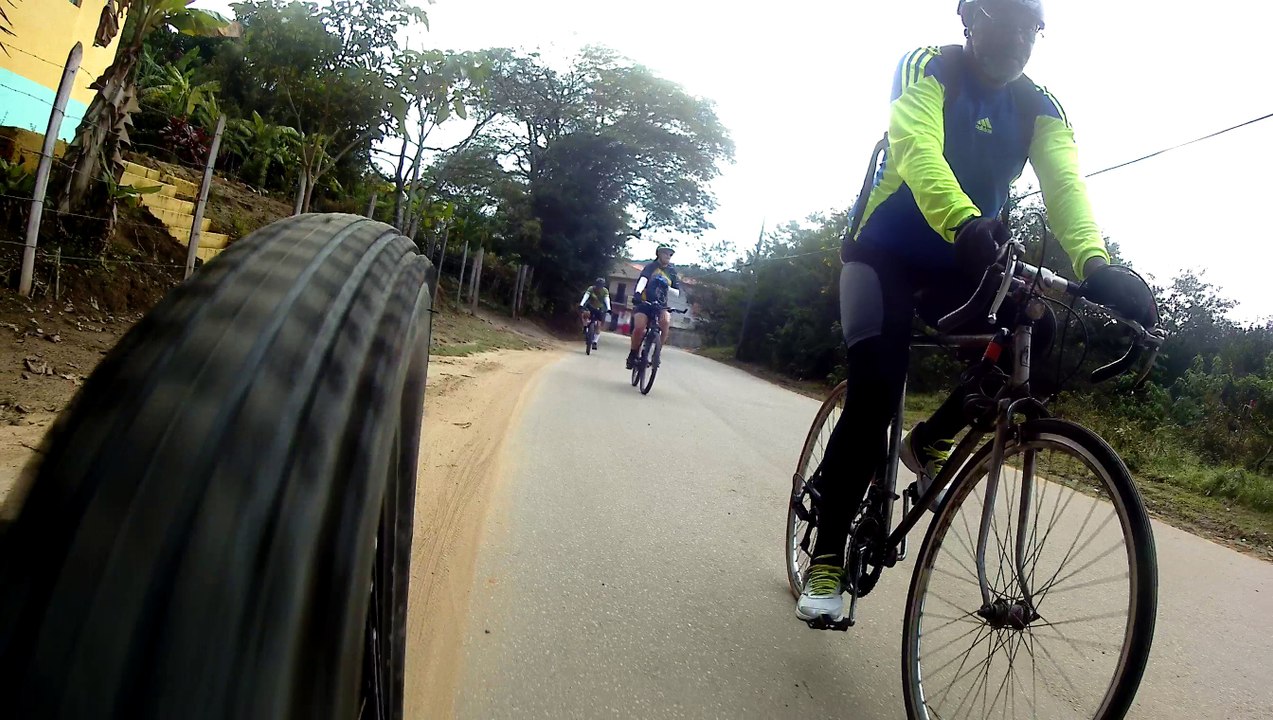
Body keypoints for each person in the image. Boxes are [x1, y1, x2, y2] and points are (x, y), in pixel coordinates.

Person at [795, 0, 1160, 624]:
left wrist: (1096, 266)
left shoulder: (1040, 106)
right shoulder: (929, 65)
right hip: (883, 249)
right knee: (877, 387)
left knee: (1037, 329)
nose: (1016, 40)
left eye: (1030, 30)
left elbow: (1065, 184)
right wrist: (963, 219)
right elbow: (915, 149)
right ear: (969, 20)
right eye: (1003, 23)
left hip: (966, 257)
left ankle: (932, 437)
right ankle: (827, 556)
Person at [626, 245, 680, 370]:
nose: (668, 256)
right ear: (659, 254)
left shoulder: (672, 271)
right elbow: (643, 280)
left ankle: (656, 353)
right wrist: (638, 293)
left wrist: (666, 286)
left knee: (665, 322)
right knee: (639, 328)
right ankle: (633, 353)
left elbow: (677, 293)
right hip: (645, 302)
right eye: (666, 253)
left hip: (661, 304)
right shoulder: (651, 267)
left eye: (670, 255)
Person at [579, 278, 611, 350]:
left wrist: (609, 308)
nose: (599, 287)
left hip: (599, 308)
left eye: (601, 286)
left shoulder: (605, 291)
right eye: (598, 285)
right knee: (585, 314)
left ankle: (595, 342)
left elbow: (607, 299)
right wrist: (581, 304)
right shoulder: (591, 289)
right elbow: (586, 296)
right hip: (590, 306)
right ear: (595, 285)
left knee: (599, 325)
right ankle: (585, 327)